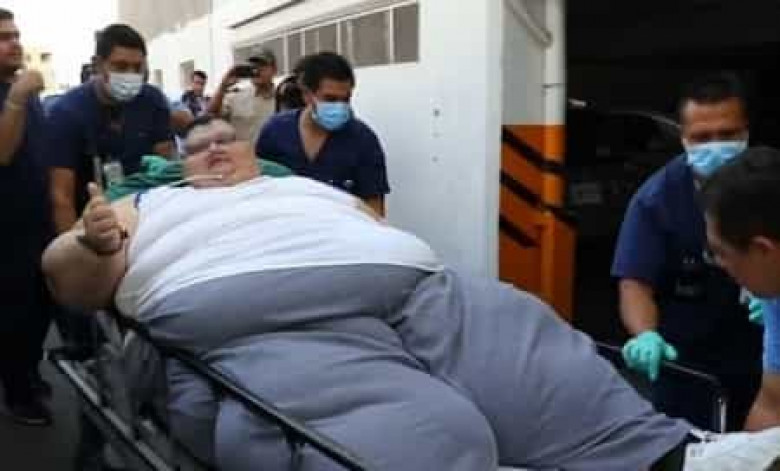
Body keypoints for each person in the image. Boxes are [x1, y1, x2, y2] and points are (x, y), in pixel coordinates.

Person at [41, 116, 780, 471]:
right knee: (427, 433)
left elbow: (380, 228)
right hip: (253, 310)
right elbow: (68, 280)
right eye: (200, 146)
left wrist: (393, 253)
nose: (217, 151)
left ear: (254, 151)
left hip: (408, 285)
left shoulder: (302, 187)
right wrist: (90, 243)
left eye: (227, 139)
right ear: (180, 163)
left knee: (530, 347)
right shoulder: (151, 203)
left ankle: (670, 459)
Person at [612, 73, 763, 430]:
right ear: (682, 137)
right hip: (688, 359)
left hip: (764, 348)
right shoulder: (656, 200)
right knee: (689, 441)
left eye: (727, 135)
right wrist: (645, 334)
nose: (716, 146)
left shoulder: (769, 183)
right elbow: (635, 281)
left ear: (746, 131)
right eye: (702, 138)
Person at [47, 23, 174, 235]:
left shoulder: (152, 101)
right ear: (97, 65)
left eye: (138, 68)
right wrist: (72, 246)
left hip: (144, 216)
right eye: (121, 67)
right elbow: (61, 197)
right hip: (91, 223)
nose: (131, 75)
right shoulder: (67, 113)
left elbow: (166, 173)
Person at [701, 146, 780, 431]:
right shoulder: (774, 294)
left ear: (762, 249)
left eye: (720, 253)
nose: (719, 265)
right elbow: (772, 404)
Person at [0, 7, 53, 426]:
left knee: (41, 304)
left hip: (38, 219)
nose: (14, 43)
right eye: (3, 37)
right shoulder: (18, 94)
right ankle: (16, 394)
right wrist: (17, 99)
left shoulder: (25, 92)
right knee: (14, 312)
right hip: (6, 228)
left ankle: (30, 372)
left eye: (16, 35)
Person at [257, 52, 389, 216]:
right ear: (306, 94)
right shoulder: (275, 131)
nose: (339, 106)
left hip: (341, 227)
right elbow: (257, 189)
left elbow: (374, 208)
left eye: (345, 99)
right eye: (330, 99)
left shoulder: (363, 140)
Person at [208, 51, 276, 145]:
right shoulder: (236, 97)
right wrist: (223, 86)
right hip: (240, 153)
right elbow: (212, 114)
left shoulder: (283, 99)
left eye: (262, 65)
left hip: (270, 154)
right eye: (253, 66)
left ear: (274, 70)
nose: (257, 70)